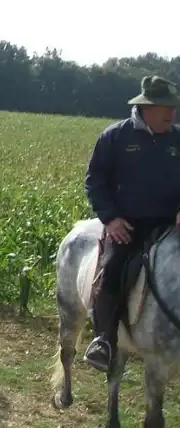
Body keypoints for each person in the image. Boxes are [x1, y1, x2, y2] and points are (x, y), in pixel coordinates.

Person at [83, 75, 180, 372]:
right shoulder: (115, 137)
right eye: (167, 107)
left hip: (169, 225)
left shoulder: (178, 138)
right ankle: (104, 340)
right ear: (148, 107)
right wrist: (110, 219)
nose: (172, 113)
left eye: (173, 107)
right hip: (127, 226)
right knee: (112, 269)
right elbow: (95, 180)